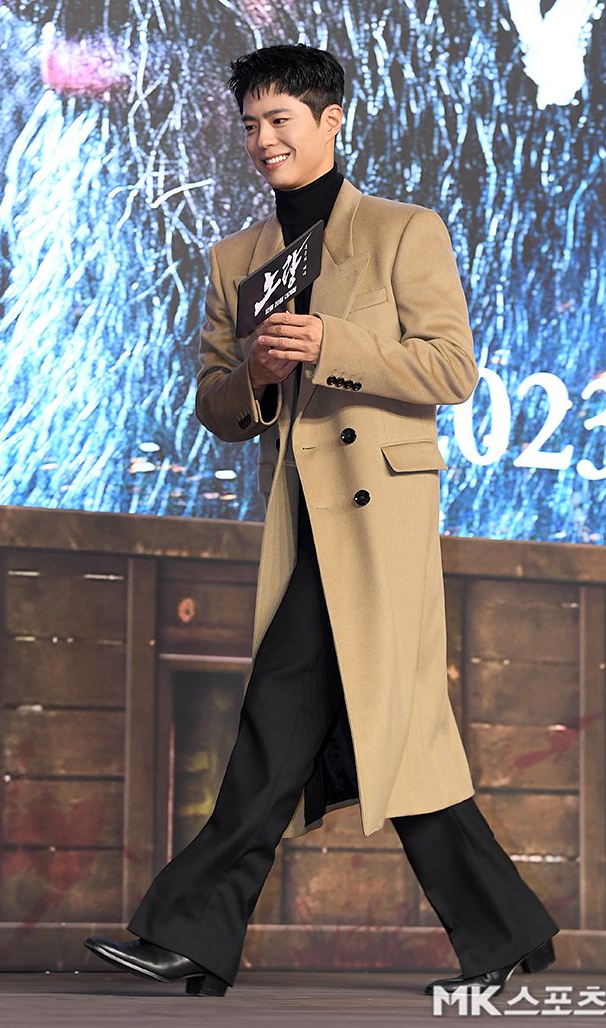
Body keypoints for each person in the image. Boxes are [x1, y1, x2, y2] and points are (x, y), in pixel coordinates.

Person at [85, 42, 559, 999]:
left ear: (329, 119)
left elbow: (452, 369)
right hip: (303, 524)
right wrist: (256, 377)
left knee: (280, 716)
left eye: (280, 121)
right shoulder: (235, 258)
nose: (263, 140)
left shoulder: (402, 231)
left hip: (378, 525)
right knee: (388, 733)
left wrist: (332, 343)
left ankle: (190, 931)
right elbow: (215, 406)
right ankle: (507, 932)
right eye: (250, 125)